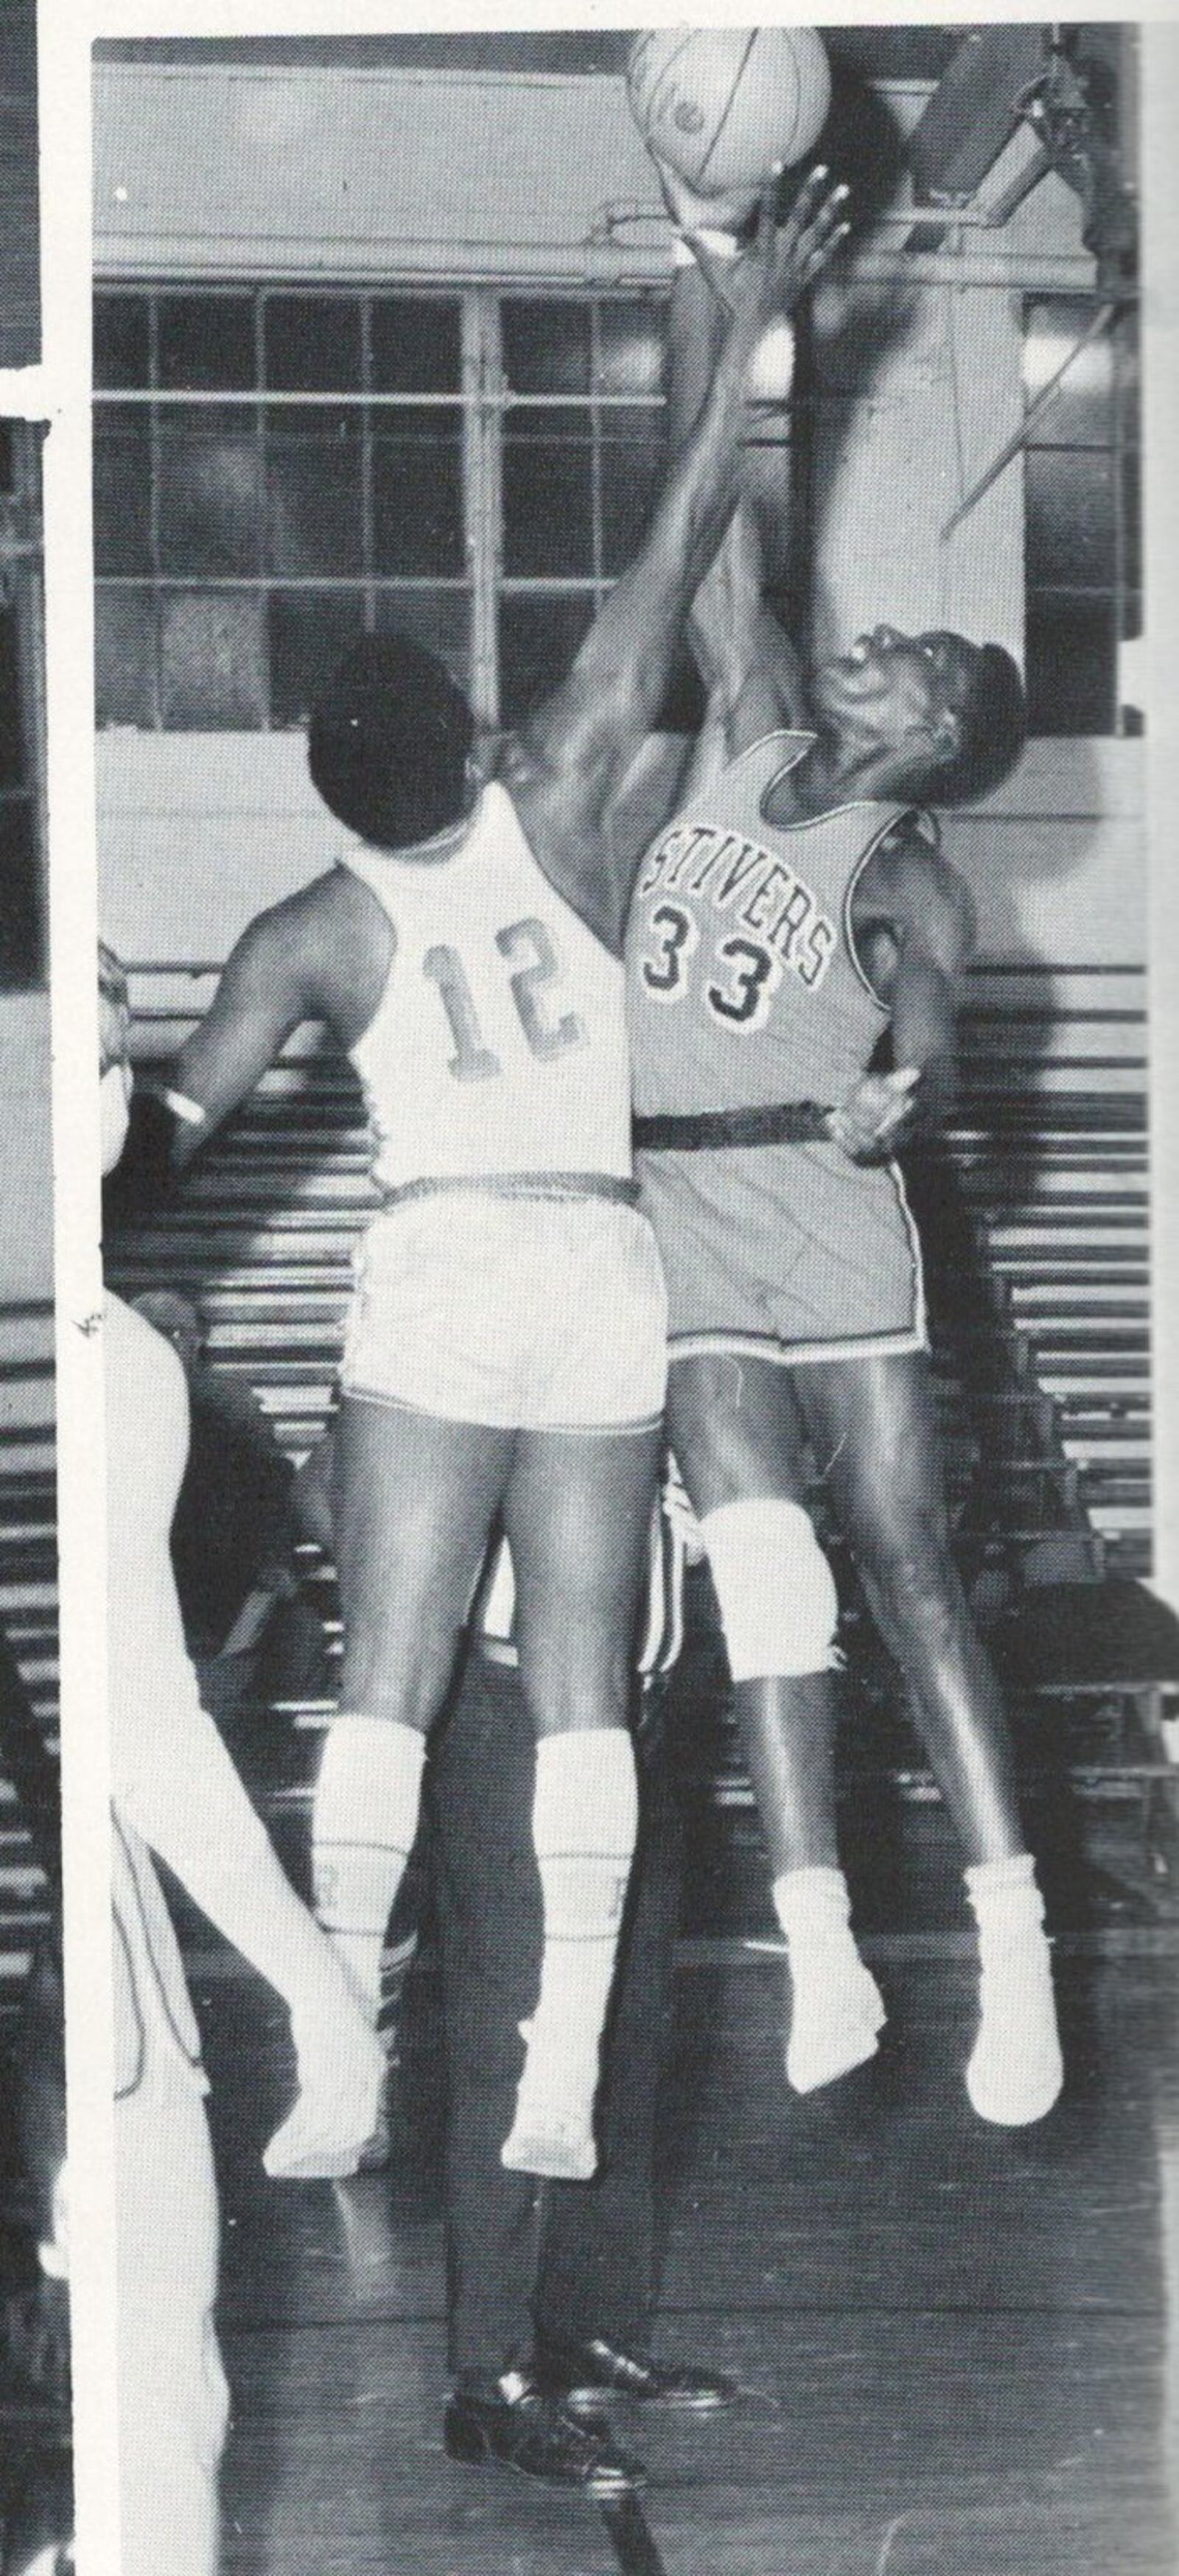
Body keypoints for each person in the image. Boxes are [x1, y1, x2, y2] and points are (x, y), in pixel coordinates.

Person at [139, 177, 847, 2188]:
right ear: (458, 737)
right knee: (577, 1694)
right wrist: (752, 316)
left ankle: (342, 2030)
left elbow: (163, 1141)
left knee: (391, 1675)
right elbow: (684, 527)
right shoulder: (559, 794)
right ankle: (552, 2070)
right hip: (598, 1259)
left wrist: (104, 1178)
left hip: (441, 1268)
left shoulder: (302, 928)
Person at [623, 162, 1063, 2128]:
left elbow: (942, 1012)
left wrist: (916, 1080)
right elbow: (707, 498)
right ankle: (822, 1951)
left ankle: (1018, 1953)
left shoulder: (914, 859)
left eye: (925, 657)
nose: (884, 639)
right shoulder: (759, 721)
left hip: (832, 1205)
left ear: (945, 726)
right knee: (767, 1571)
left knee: (904, 1570)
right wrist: (732, 289)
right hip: (685, 1213)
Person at [101, 945, 384, 2576]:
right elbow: (146, 1738)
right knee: (157, 2380)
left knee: (165, 2377)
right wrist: (318, 1993)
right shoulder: (114, 1359)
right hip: (100, 1887)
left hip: (108, 1866)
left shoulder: (132, 1356)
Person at [129, 1290, 327, 1722]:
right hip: (174, 1590)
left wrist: (273, 1567)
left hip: (218, 1589)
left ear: (197, 1342)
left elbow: (270, 1487)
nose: (168, 1343)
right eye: (154, 1333)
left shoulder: (225, 1402)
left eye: (177, 1334)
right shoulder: (120, 1406)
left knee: (295, 1639)